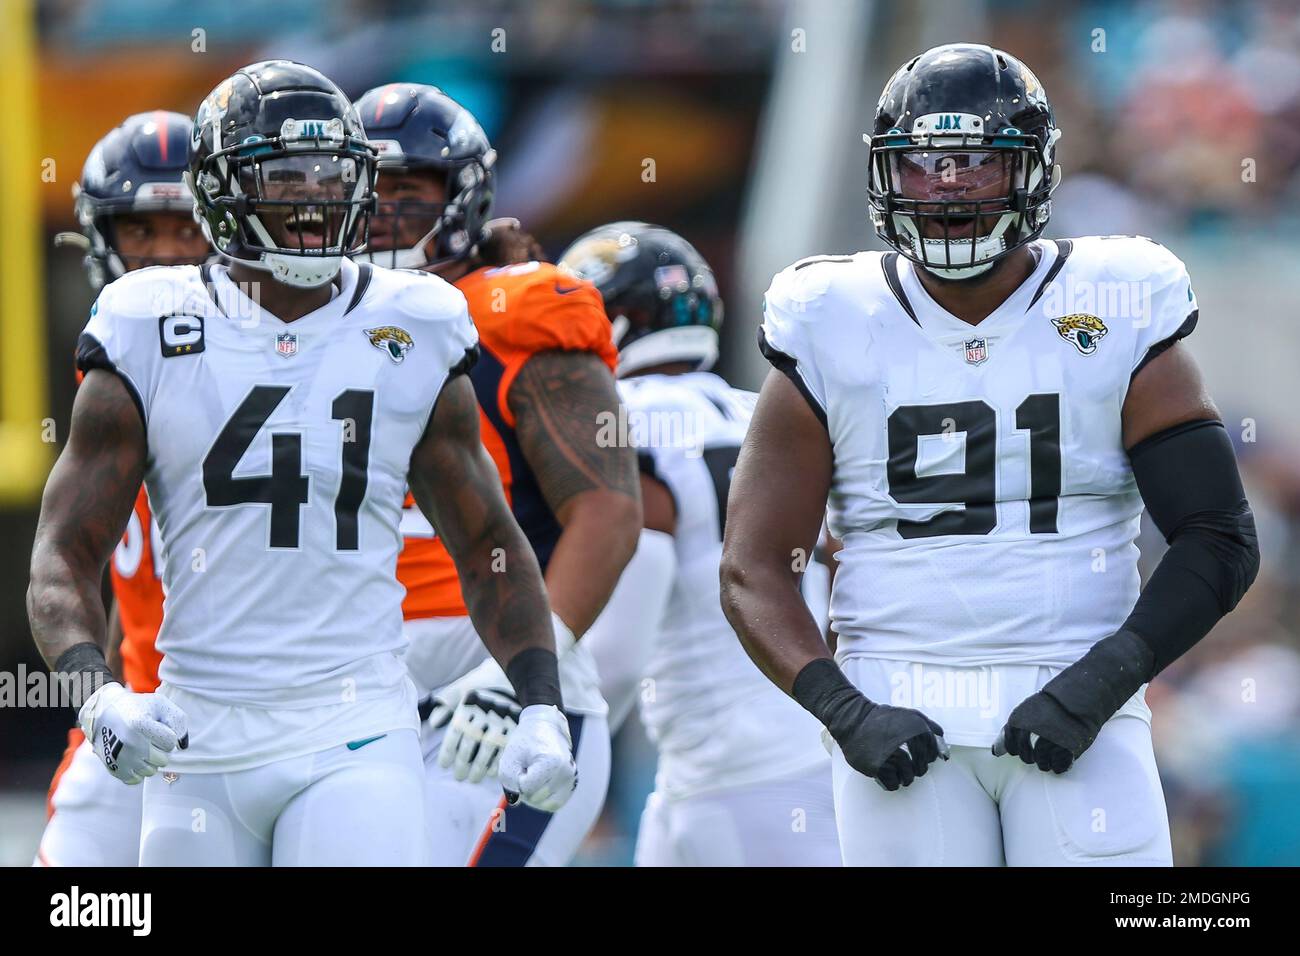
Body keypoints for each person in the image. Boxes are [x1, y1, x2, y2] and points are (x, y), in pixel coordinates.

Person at [720, 43, 1259, 866]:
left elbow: (1219, 537)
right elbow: (752, 567)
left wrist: (1104, 681)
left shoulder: (1114, 300)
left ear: (1032, 172)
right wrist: (846, 711)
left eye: (975, 164)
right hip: (896, 707)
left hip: (1079, 691)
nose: (948, 189)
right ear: (886, 174)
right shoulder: (828, 313)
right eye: (925, 165)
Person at [27, 61, 576, 867]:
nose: (315, 198)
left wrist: (542, 704)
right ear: (220, 189)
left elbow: (489, 545)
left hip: (353, 731)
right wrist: (97, 693)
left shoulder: (415, 322)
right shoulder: (146, 324)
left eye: (333, 175)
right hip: (196, 738)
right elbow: (61, 556)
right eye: (287, 177)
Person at [354, 83, 641, 865]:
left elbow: (610, 511)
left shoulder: (514, 311)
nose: (381, 211)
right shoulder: (315, 330)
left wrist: (516, 671)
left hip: (493, 672)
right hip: (355, 687)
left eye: (408, 190)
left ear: (463, 197)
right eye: (366, 188)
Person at [562, 222, 840, 866]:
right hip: (805, 747)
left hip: (726, 774)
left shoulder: (614, 423)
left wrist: (545, 728)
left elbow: (618, 657)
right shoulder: (759, 411)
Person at [36, 111, 209, 867]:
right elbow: (112, 567)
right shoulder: (111, 363)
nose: (165, 255)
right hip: (139, 698)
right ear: (101, 238)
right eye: (140, 231)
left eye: (186, 228)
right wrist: (100, 696)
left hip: (267, 717)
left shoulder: (287, 350)